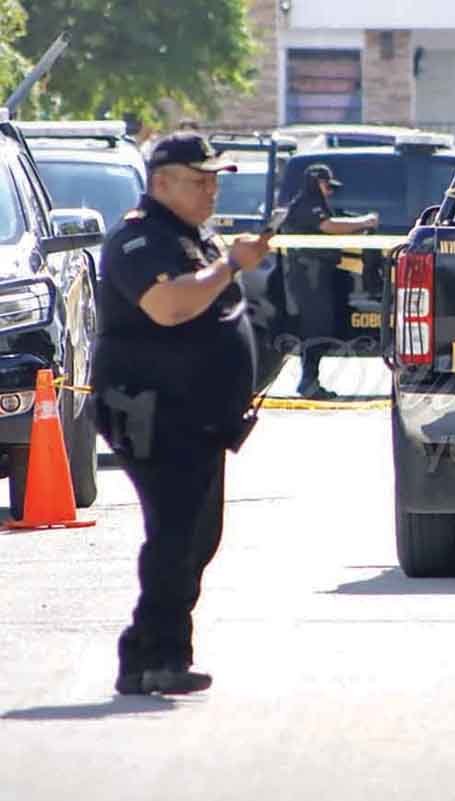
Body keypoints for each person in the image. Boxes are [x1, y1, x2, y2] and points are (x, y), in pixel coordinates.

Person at [92, 132, 273, 695]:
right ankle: (155, 654)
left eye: (216, 179)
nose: (211, 190)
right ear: (161, 182)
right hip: (152, 412)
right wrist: (232, 267)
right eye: (199, 180)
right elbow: (169, 307)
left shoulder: (191, 236)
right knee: (177, 535)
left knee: (196, 537)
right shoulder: (139, 240)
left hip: (196, 415)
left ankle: (154, 651)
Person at [280, 164, 379, 399]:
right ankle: (308, 383)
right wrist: (364, 222)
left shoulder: (317, 204)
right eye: (327, 186)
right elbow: (329, 226)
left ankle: (310, 380)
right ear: (315, 183)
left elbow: (334, 222)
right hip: (308, 276)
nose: (330, 192)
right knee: (316, 328)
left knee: (321, 327)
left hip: (318, 275)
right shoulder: (307, 204)